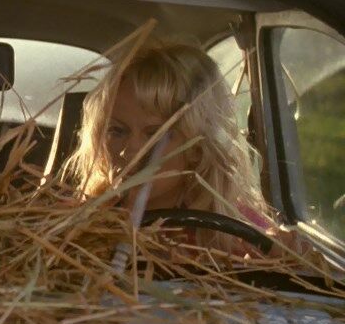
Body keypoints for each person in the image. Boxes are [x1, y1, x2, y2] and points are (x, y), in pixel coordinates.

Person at [67, 41, 301, 254]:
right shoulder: (76, 225)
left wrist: (283, 256)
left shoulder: (240, 232)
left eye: (156, 135)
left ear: (197, 147)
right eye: (117, 131)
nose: (129, 150)